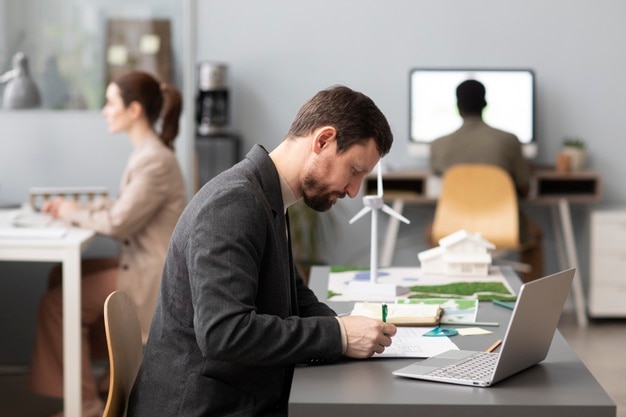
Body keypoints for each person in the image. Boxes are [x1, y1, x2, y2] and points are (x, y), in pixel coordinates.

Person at [126, 85, 398, 416]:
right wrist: (338, 335)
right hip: (201, 406)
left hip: (232, 394)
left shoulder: (268, 196)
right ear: (323, 141)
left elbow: (294, 296)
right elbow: (224, 333)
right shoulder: (235, 204)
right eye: (354, 171)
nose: (354, 191)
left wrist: (349, 329)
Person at [29, 70, 187, 417]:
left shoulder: (155, 160)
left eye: (110, 102)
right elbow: (122, 206)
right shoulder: (148, 153)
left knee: (57, 303)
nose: (104, 110)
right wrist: (75, 208)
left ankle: (84, 406)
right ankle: (101, 380)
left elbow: (118, 222)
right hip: (140, 260)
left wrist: (72, 211)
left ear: (134, 110)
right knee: (61, 276)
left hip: (150, 274)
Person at [429, 79, 544, 282]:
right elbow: (524, 189)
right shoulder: (509, 140)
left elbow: (443, 181)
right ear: (485, 104)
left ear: (458, 107)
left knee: (432, 233)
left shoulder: (438, 145)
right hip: (504, 227)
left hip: (454, 229)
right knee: (535, 235)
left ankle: (442, 286)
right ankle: (532, 301)